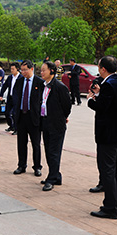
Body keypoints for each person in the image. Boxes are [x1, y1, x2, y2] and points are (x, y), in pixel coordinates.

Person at [87, 56, 117, 219]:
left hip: (108, 135)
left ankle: (110, 207)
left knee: (108, 171)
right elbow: (114, 105)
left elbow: (102, 107)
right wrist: (100, 94)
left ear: (103, 69)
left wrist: (91, 100)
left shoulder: (108, 85)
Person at [39, 61, 72, 191]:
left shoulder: (59, 87)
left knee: (54, 152)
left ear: (52, 71)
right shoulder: (43, 85)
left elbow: (67, 106)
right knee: (48, 151)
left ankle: (51, 179)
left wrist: (62, 117)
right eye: (41, 70)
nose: (41, 72)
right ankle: (56, 176)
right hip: (45, 122)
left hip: (56, 124)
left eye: (44, 70)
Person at [12, 60, 44, 176]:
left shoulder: (39, 82)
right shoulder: (19, 81)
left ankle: (37, 167)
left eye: (25, 70)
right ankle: (21, 165)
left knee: (36, 144)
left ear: (31, 69)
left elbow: (43, 100)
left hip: (33, 117)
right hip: (21, 116)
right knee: (21, 143)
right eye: (22, 70)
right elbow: (15, 97)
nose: (23, 72)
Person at [0, 62, 20, 134]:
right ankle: (11, 126)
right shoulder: (10, 77)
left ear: (17, 69)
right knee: (7, 113)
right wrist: (1, 95)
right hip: (10, 98)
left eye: (13, 69)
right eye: (11, 69)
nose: (11, 70)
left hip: (17, 99)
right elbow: (4, 86)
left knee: (15, 114)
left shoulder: (21, 78)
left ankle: (16, 129)